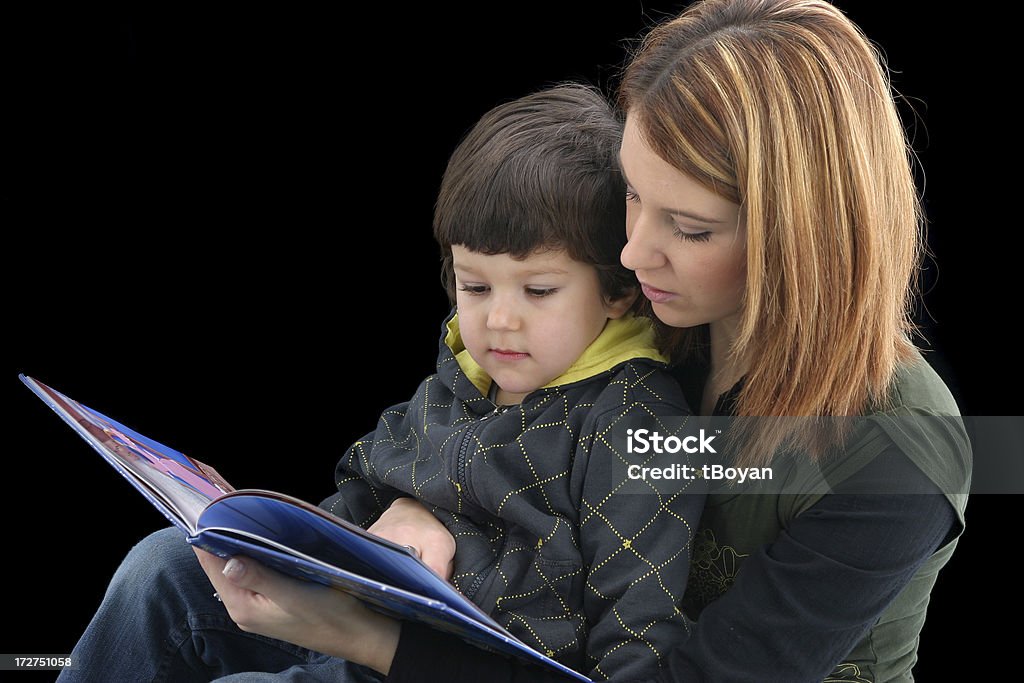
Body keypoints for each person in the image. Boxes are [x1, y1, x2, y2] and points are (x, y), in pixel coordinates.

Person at [195, 0, 970, 681]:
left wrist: (364, 636)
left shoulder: (902, 449)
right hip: (493, 635)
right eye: (634, 194)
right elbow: (483, 444)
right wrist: (411, 509)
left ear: (805, 238)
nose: (631, 253)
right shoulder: (656, 318)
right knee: (174, 571)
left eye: (691, 227)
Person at [58, 85, 706, 682]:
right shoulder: (469, 368)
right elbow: (369, 479)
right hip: (357, 611)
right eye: (475, 285)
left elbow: (637, 645)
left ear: (619, 289)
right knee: (165, 564)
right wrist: (265, 530)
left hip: (439, 666)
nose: (498, 319)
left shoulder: (631, 419)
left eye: (539, 290)